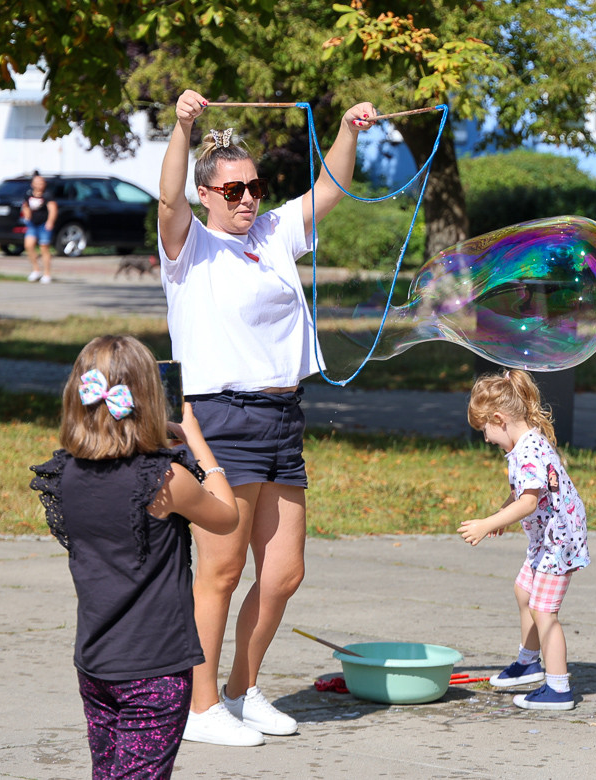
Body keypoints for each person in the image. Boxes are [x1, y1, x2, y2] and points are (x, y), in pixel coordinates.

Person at [157, 89, 377, 746]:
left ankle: (241, 690)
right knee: (221, 572)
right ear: (206, 194)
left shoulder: (274, 232)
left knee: (283, 572)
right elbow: (167, 200)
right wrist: (182, 127)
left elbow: (330, 187)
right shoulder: (188, 244)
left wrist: (347, 129)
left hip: (282, 415)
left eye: (253, 187)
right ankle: (199, 709)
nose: (247, 199)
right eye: (232, 191)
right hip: (220, 419)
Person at [30, 335, 239, 778]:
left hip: (95, 659)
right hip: (155, 667)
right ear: (149, 399)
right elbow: (226, 517)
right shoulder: (164, 479)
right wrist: (199, 446)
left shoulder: (63, 474)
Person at [458, 369, 589, 711]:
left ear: (499, 419)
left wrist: (488, 523)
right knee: (524, 591)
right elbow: (521, 494)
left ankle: (558, 688)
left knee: (544, 611)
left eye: (484, 430)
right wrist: (504, 511)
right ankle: (528, 662)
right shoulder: (524, 443)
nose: (486, 438)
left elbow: (529, 502)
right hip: (548, 538)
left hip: (559, 542)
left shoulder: (529, 450)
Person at [21, 172, 58, 283]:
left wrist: (50, 222)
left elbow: (53, 209)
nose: (40, 184)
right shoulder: (28, 194)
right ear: (33, 184)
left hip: (44, 225)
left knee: (44, 248)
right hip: (32, 224)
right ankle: (36, 270)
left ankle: (47, 274)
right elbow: (25, 205)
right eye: (37, 182)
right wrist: (27, 214)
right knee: (28, 245)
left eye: (42, 182)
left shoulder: (47, 195)